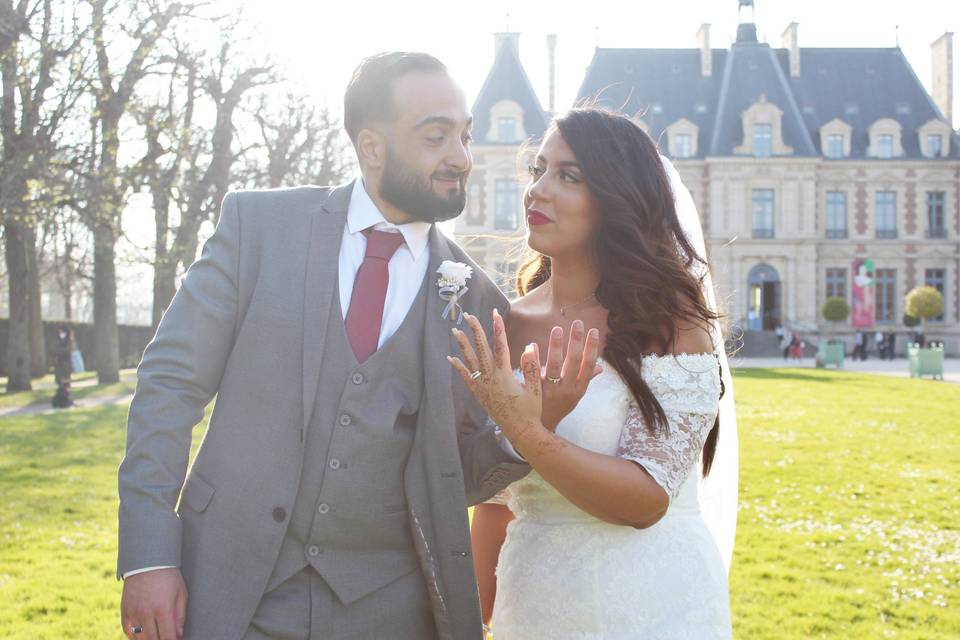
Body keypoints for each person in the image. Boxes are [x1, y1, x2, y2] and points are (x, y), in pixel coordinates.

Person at [117, 52, 530, 640]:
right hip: (231, 585)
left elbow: (457, 477)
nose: (461, 158)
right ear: (371, 146)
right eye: (436, 136)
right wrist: (150, 554)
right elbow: (169, 385)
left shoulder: (478, 300)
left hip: (391, 609)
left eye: (464, 136)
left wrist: (524, 429)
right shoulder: (257, 228)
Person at [451, 108, 733, 638]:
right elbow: (493, 507)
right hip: (533, 604)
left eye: (568, 176)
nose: (537, 190)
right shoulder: (506, 325)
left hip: (654, 606)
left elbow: (645, 501)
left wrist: (528, 432)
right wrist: (472, 623)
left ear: (617, 200)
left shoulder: (670, 324)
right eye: (538, 169)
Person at [51, 325, 75, 408]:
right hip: (59, 364)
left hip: (66, 363)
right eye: (60, 332)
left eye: (63, 332)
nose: (61, 334)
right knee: (60, 380)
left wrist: (59, 351)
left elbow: (69, 349)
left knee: (66, 381)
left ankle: (65, 398)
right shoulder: (57, 341)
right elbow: (54, 349)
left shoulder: (69, 341)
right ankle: (61, 397)